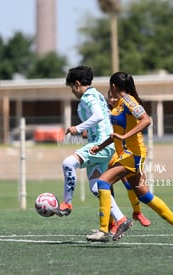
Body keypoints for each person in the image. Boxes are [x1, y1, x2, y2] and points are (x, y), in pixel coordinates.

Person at [85, 72, 173, 246]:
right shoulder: (118, 104)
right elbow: (117, 134)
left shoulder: (128, 100)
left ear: (113, 86)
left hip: (133, 155)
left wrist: (125, 136)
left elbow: (146, 120)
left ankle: (104, 231)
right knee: (144, 195)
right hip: (127, 155)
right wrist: (101, 146)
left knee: (102, 183)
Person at [55, 65, 133, 240]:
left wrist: (78, 128)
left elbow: (98, 116)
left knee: (68, 163)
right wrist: (87, 132)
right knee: (97, 187)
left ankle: (67, 203)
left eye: (71, 88)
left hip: (100, 144)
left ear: (76, 84)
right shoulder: (96, 94)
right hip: (104, 145)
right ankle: (121, 219)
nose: (72, 92)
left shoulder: (88, 97)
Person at [107, 89, 151, 227]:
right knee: (104, 186)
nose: (113, 100)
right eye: (110, 97)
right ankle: (111, 222)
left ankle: (137, 212)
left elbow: (143, 120)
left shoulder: (125, 108)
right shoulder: (108, 114)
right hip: (113, 153)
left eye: (114, 97)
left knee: (132, 184)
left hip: (129, 152)